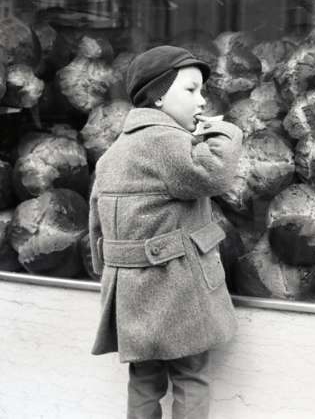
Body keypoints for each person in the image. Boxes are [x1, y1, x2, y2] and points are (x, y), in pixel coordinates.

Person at [88, 45, 243, 419]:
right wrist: (224, 131)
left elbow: (96, 223)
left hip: (131, 292)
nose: (201, 100)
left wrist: (107, 272)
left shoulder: (114, 153)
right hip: (177, 287)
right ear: (157, 96)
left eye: (201, 90)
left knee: (144, 380)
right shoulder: (166, 141)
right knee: (191, 376)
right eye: (190, 89)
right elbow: (214, 173)